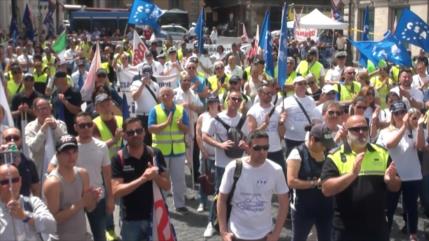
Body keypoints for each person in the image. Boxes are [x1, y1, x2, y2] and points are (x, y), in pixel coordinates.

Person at [321, 115, 401, 241]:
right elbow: (326, 189)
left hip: (377, 227)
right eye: (356, 129)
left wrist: (391, 181)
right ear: (346, 132)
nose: (361, 132)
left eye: (364, 128)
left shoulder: (382, 153)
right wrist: (352, 174)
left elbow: (396, 187)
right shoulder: (335, 156)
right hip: (346, 229)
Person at [48, 112, 114, 241]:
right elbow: (51, 168)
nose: (86, 128)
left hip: (96, 198)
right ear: (75, 127)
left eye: (89, 125)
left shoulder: (102, 146)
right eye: (82, 125)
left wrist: (110, 198)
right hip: (73, 200)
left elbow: (107, 176)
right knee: (75, 236)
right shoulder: (68, 145)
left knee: (100, 236)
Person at [217, 130, 289, 241]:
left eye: (266, 148)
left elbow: (284, 203)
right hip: (236, 234)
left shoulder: (276, 170)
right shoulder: (233, 168)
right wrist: (223, 232)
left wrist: (276, 234)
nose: (262, 152)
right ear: (248, 147)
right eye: (257, 148)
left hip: (264, 234)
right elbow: (221, 200)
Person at [111, 117, 171, 241]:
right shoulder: (119, 158)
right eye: (130, 132)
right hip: (130, 220)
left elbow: (167, 186)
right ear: (124, 136)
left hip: (154, 215)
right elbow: (116, 191)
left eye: (138, 131)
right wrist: (143, 179)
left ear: (144, 132)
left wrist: (156, 177)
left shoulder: (155, 154)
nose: (135, 135)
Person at [202, 90, 248, 238]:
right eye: (233, 99)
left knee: (239, 192)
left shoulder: (244, 119)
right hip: (222, 164)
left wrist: (245, 143)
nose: (235, 102)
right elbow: (205, 136)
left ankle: (233, 222)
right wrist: (219, 145)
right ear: (227, 100)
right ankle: (212, 222)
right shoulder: (217, 118)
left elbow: (249, 137)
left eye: (238, 99)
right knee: (219, 193)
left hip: (240, 163)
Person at [377, 102, 424, 241]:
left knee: (411, 208)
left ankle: (413, 235)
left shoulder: (414, 130)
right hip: (394, 176)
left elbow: (420, 146)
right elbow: (391, 144)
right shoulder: (386, 131)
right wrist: (404, 126)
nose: (400, 115)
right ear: (392, 114)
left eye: (403, 112)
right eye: (396, 113)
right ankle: (385, 234)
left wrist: (419, 126)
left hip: (412, 175)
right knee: (389, 208)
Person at [43, 135, 100, 241]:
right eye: (66, 153)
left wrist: (93, 199)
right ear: (57, 155)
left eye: (74, 151)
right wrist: (82, 202)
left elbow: (89, 208)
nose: (71, 156)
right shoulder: (53, 183)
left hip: (82, 237)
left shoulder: (83, 174)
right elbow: (53, 219)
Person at [287, 124, 336, 241]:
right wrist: (316, 183)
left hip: (326, 207)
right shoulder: (297, 153)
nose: (325, 147)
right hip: (303, 209)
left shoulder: (329, 151)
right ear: (312, 139)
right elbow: (291, 181)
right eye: (323, 144)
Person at [148, 86, 190, 213]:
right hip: (161, 152)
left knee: (179, 179)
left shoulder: (181, 110)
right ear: (159, 97)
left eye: (168, 94)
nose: (165, 97)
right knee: (162, 180)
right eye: (163, 95)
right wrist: (165, 124)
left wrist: (181, 125)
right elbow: (150, 129)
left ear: (173, 96)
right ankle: (161, 205)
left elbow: (187, 129)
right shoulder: (154, 110)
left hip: (178, 150)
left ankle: (180, 204)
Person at [0, 164, 56, 241]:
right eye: (5, 182)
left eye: (15, 180)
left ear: (20, 181)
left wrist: (25, 216)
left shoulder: (33, 202)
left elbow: (52, 226)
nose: (11, 185)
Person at [247, 81, 286, 171]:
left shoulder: (277, 110)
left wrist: (281, 123)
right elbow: (251, 134)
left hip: (276, 150)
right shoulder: (253, 111)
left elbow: (282, 135)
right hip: (260, 151)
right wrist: (264, 125)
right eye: (267, 93)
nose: (269, 95)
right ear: (260, 94)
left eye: (271, 93)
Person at [25, 97, 68, 177]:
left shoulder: (60, 124)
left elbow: (66, 144)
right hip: (39, 169)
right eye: (40, 109)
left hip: (59, 167)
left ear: (50, 108)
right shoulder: (29, 127)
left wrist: (56, 128)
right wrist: (42, 130)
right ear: (34, 111)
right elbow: (34, 148)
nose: (43, 111)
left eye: (45, 108)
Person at [282, 76, 320, 157]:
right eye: (300, 84)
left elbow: (314, 117)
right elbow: (280, 116)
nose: (303, 86)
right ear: (294, 86)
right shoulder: (286, 101)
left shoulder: (311, 100)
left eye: (305, 84)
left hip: (307, 138)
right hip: (291, 139)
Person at [2, 127, 40, 197]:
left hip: (24, 204)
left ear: (21, 140)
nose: (12, 141)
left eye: (16, 138)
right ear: (3, 141)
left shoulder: (29, 163)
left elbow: (36, 190)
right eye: (8, 138)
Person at [130, 64, 159, 146]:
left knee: (153, 140)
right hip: (141, 116)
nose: (147, 75)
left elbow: (159, 100)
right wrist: (143, 84)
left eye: (149, 72)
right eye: (145, 73)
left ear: (151, 73)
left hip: (153, 116)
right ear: (141, 73)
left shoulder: (155, 85)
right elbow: (134, 97)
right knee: (143, 140)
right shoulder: (136, 83)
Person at [50, 70, 83, 135]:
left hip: (71, 127)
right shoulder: (54, 93)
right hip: (58, 128)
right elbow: (53, 110)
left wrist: (65, 101)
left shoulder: (74, 92)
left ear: (63, 80)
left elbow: (77, 111)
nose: (55, 83)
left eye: (56, 81)